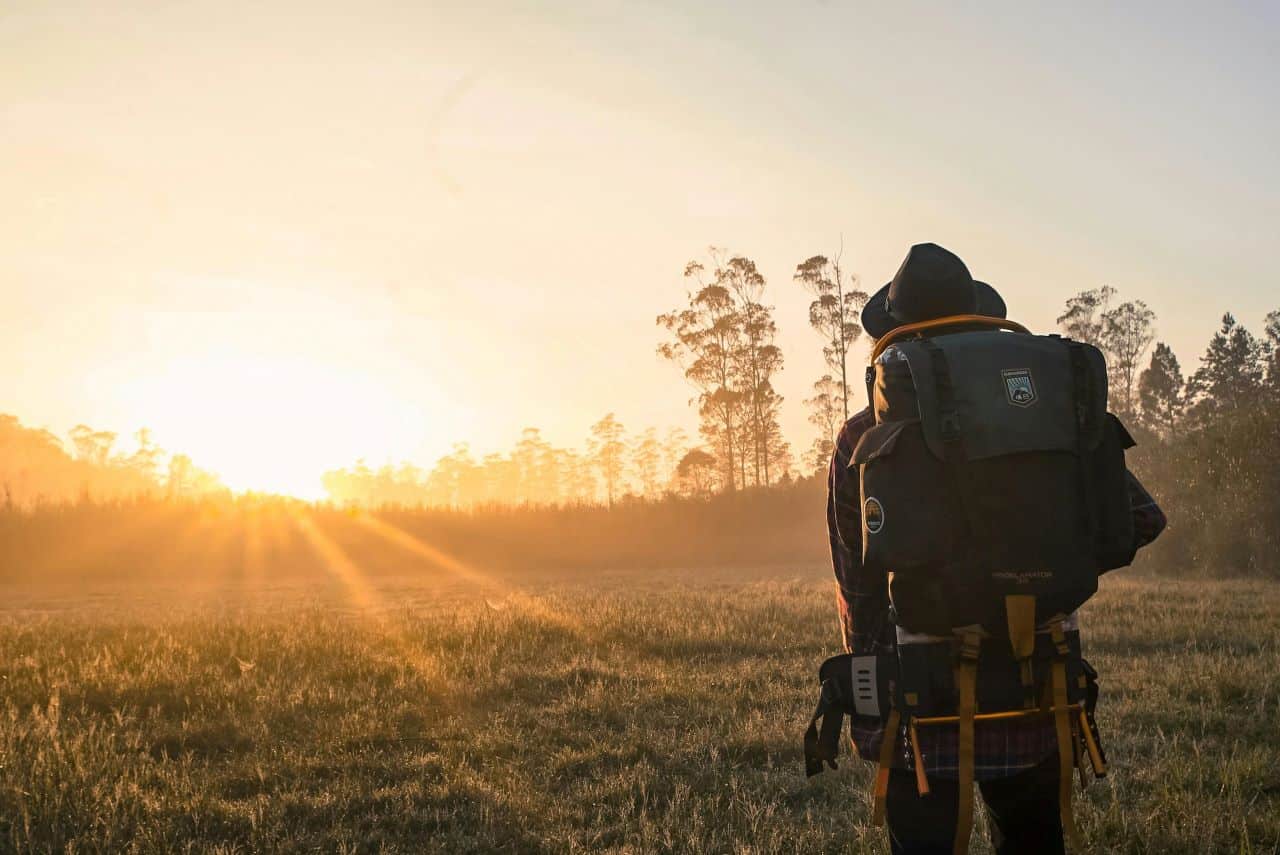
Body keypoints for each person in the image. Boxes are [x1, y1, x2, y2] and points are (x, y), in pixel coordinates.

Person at [826, 243, 1166, 854]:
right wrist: (1042, 568)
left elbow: (859, 586)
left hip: (920, 704)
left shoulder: (861, 437)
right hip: (1038, 686)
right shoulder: (1053, 418)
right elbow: (1140, 520)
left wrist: (873, 708)